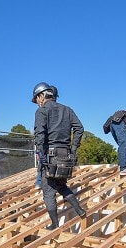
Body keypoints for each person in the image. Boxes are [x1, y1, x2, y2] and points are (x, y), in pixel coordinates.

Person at [32, 82, 87, 230]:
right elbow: (79, 129)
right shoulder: (67, 110)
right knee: (61, 185)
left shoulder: (42, 111)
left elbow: (40, 134)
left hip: (50, 155)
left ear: (41, 96)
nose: (37, 103)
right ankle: (80, 210)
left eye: (36, 99)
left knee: (48, 191)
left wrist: (40, 153)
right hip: (65, 156)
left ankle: (55, 225)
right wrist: (73, 149)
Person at [103, 110, 126, 175]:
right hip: (119, 123)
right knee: (124, 144)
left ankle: (122, 164)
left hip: (113, 123)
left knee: (122, 145)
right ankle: (124, 168)